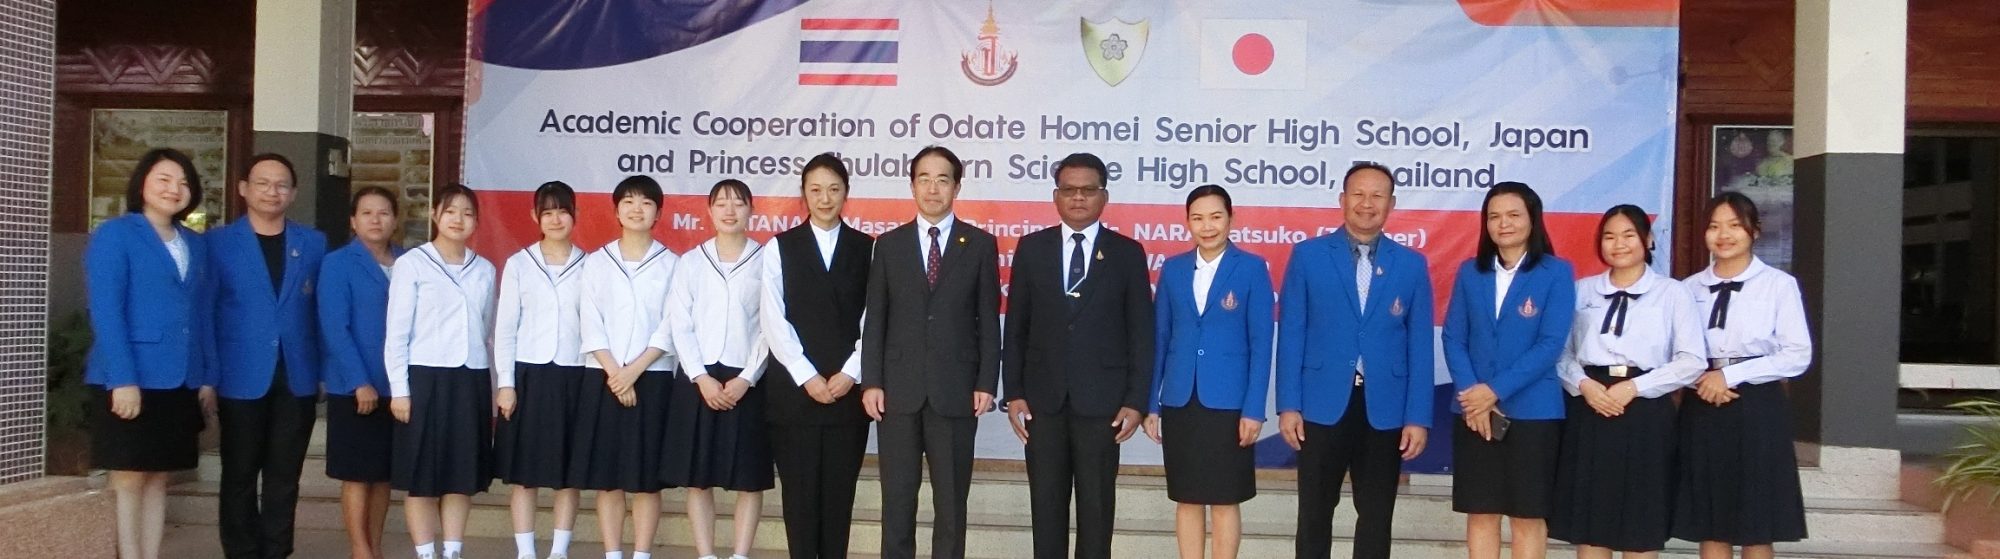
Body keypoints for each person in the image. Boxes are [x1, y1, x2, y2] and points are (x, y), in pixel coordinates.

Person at [1275, 162, 1435, 559]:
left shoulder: (1411, 264)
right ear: (1342, 200)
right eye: (1358, 194)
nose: (1367, 204)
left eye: (1377, 195)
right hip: (1320, 405)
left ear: (1392, 203)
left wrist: (1418, 416)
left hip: (1385, 408)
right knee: (1313, 513)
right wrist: (1288, 405)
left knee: (1377, 516)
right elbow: (1292, 333)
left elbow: (1419, 346)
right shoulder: (1309, 256)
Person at [1001, 152, 1154, 559]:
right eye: (1069, 190)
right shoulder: (1032, 248)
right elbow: (1016, 327)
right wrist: (1013, 391)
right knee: (1046, 510)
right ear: (1056, 196)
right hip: (1042, 403)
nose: (1078, 198)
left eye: (1088, 190)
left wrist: (1136, 401)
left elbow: (1141, 333)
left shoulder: (1127, 253)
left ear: (1104, 196)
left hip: (1103, 405)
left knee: (1097, 511)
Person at [862, 145, 1002, 559]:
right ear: (911, 186)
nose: (933, 188)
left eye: (943, 179)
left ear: (957, 186)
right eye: (924, 178)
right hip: (898, 393)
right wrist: (871, 381)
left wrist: (985, 382)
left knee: (951, 505)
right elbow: (877, 320)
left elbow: (988, 320)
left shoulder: (978, 244)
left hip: (956, 392)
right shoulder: (888, 245)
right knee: (898, 503)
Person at [1550, 205, 1706, 557]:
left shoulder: (1672, 293)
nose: (1618, 244)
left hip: (1646, 413)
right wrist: (1584, 386)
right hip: (1589, 408)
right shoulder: (1581, 290)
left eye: (1628, 235)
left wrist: (1636, 387)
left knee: (1640, 521)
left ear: (1648, 240)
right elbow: (1558, 352)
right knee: (1592, 524)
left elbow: (1693, 360)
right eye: (1609, 236)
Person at [87, 148, 212, 559]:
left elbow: (202, 312)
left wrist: (206, 375)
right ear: (142, 183)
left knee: (159, 477)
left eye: (183, 182)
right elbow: (107, 310)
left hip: (180, 377)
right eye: (164, 179)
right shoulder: (116, 234)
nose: (174, 189)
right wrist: (122, 379)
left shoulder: (195, 242)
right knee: (127, 478)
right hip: (130, 377)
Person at [1442, 182, 1576, 559]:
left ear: (1533, 219)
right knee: (1481, 512)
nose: (1504, 224)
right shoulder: (1470, 272)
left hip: (1534, 412)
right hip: (1473, 413)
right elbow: (1454, 337)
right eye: (1494, 216)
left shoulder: (1556, 272)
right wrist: (1474, 397)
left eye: (1514, 215)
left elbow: (1550, 345)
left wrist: (1492, 392)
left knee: (1527, 516)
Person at [1673, 192, 1811, 559]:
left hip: (1757, 405)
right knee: (1711, 519)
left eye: (1734, 225)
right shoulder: (1687, 288)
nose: (1724, 235)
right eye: (1715, 226)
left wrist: (1732, 376)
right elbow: (1672, 351)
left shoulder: (1778, 285)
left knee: (1756, 523)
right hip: (1702, 403)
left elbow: (1797, 355)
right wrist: (1703, 379)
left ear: (1755, 231)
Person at [1141, 184, 1272, 559]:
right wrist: (1153, 404)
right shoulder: (1174, 268)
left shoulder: (1250, 268)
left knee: (1226, 498)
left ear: (1231, 219)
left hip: (1228, 403)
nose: (1207, 226)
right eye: (1197, 218)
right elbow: (1161, 337)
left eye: (1216, 217)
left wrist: (1253, 410)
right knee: (1187, 496)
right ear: (1187, 222)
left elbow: (1262, 345)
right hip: (1181, 399)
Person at [206, 153, 326, 559]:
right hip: (239, 375)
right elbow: (205, 311)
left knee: (284, 477)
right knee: (239, 473)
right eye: (262, 183)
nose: (271, 191)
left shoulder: (313, 242)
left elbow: (319, 311)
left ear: (293, 193)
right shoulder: (218, 243)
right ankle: (241, 552)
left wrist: (325, 369)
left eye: (281, 185)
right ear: (243, 188)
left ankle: (276, 551)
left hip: (297, 376)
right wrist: (207, 375)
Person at [760, 154, 874, 559]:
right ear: (803, 194)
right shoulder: (779, 247)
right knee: (800, 500)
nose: (825, 198)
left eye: (834, 189)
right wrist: (806, 375)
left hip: (848, 396)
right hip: (795, 398)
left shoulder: (868, 249)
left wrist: (849, 373)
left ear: (846, 193)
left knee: (839, 500)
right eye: (815, 189)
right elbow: (773, 318)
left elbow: (873, 318)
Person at [661, 179, 774, 559]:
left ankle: (740, 554)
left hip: (748, 380)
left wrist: (747, 378)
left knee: (749, 479)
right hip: (700, 381)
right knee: (699, 476)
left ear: (750, 211)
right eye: (722, 204)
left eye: (738, 204)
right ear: (709, 211)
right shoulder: (691, 261)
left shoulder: (767, 260)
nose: (730, 211)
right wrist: (700, 377)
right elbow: (681, 323)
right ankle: (706, 553)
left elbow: (769, 326)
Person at [385, 184, 497, 559]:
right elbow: (397, 332)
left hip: (470, 378)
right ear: (435, 215)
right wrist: (400, 389)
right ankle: (425, 552)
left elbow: (484, 327)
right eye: (451, 211)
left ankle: (452, 550)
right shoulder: (413, 264)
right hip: (424, 378)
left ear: (476, 221)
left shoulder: (484, 269)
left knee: (460, 475)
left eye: (467, 213)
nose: (458, 219)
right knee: (422, 477)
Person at [573, 175, 680, 559]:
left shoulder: (672, 264)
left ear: (658, 212)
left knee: (646, 479)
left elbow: (672, 323)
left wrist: (633, 370)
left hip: (651, 378)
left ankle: (642, 553)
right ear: (616, 209)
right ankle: (613, 552)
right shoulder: (597, 262)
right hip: (602, 377)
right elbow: (590, 320)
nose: (638, 209)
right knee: (608, 477)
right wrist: (615, 373)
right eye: (629, 202)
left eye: (646, 203)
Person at [493, 182, 588, 559]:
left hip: (574, 374)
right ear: (536, 217)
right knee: (525, 473)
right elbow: (505, 328)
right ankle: (526, 551)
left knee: (568, 472)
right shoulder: (519, 264)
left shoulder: (589, 264)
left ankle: (559, 550)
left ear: (574, 215)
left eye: (562, 211)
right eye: (547, 212)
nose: (555, 218)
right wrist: (506, 384)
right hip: (529, 376)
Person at [317, 186, 405, 559]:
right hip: (354, 385)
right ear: (353, 221)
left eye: (383, 213)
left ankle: (376, 547)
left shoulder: (408, 260)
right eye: (366, 213)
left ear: (395, 220)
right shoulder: (337, 263)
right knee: (357, 474)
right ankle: (359, 549)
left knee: (383, 473)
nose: (375, 219)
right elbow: (335, 328)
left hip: (395, 386)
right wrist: (359, 381)